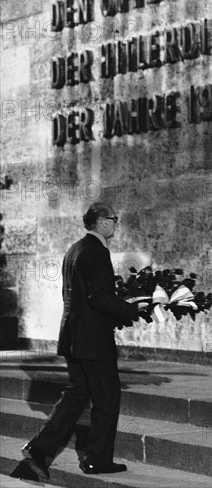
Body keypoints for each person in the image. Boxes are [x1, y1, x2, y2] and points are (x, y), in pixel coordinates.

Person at [22, 202, 139, 477]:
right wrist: (131, 309)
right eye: (113, 218)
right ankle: (96, 460)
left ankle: (38, 449)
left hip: (73, 337)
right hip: (93, 342)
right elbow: (98, 298)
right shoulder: (97, 251)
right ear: (101, 222)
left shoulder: (75, 249)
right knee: (107, 398)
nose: (115, 223)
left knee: (76, 395)